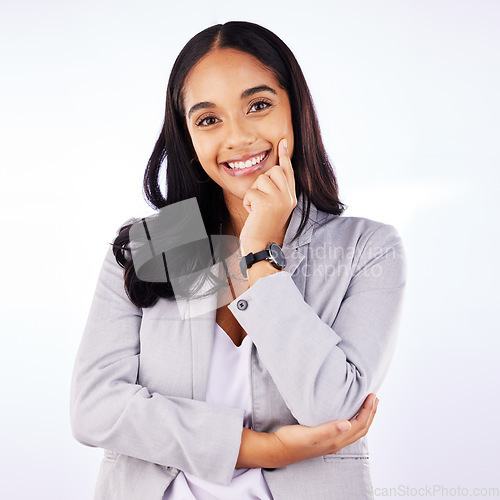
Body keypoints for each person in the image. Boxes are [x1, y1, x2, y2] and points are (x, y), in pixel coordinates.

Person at [70, 21, 406, 500]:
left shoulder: (365, 248)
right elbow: (95, 408)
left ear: (296, 109)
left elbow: (331, 407)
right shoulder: (164, 243)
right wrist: (263, 450)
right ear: (188, 137)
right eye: (209, 119)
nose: (239, 137)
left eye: (258, 105)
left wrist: (260, 254)